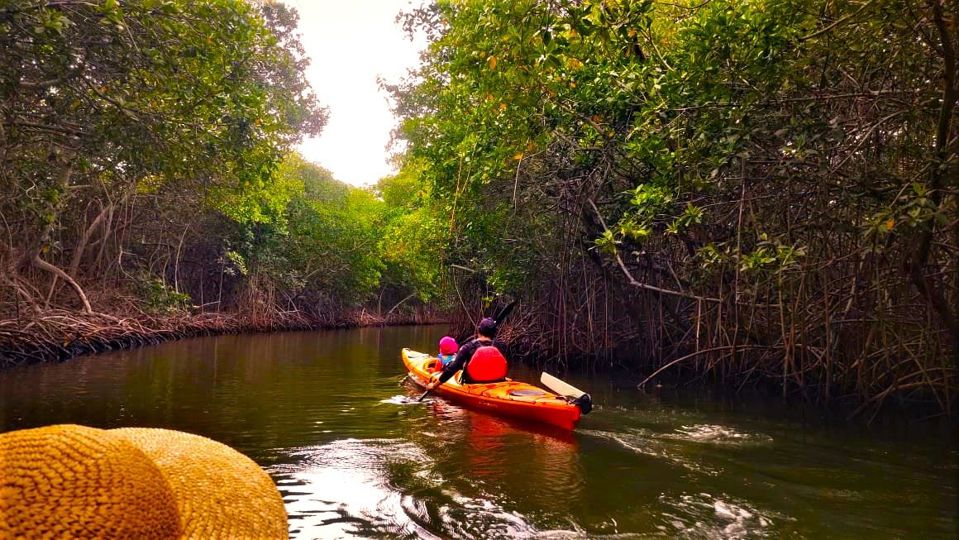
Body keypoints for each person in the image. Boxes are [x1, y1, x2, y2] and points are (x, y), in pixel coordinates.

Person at [426, 317, 508, 389]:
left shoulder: (468, 347)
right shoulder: (501, 346)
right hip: (498, 382)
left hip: (473, 384)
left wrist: (434, 385)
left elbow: (452, 368)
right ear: (494, 332)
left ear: (479, 330)